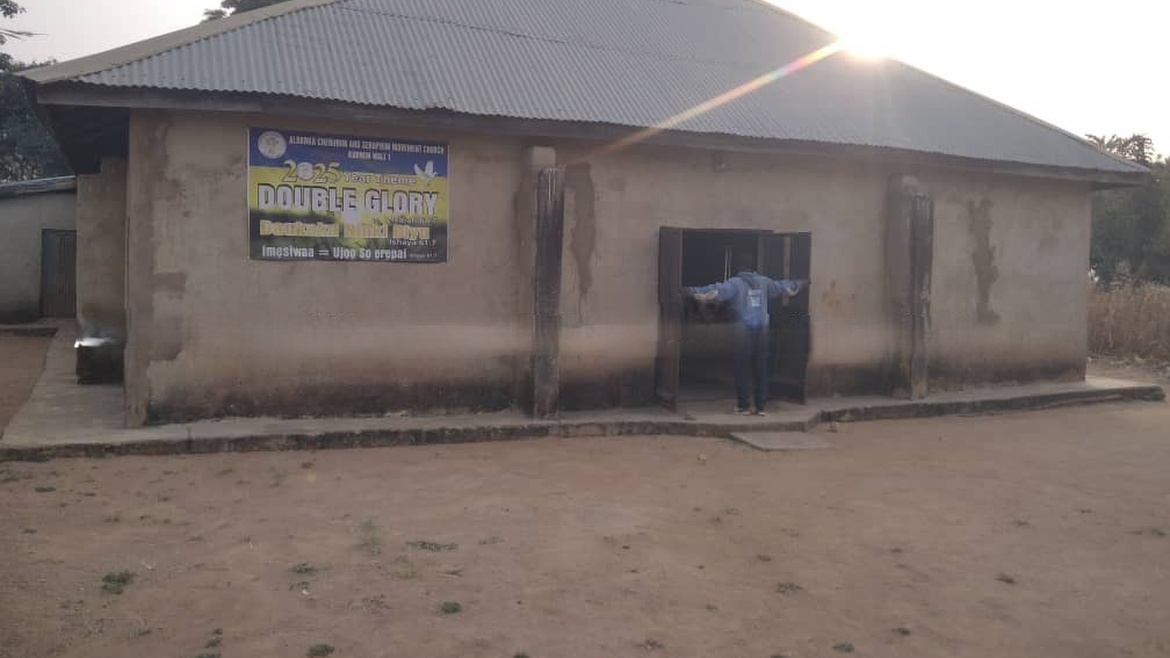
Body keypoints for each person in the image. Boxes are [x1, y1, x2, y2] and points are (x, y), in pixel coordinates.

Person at [685, 254, 808, 416]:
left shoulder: (735, 284)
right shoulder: (765, 282)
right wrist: (802, 282)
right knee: (761, 367)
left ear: (738, 268)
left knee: (742, 368)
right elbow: (785, 287)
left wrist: (688, 291)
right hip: (762, 330)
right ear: (753, 267)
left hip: (743, 331)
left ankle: (743, 406)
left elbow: (714, 291)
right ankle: (761, 407)